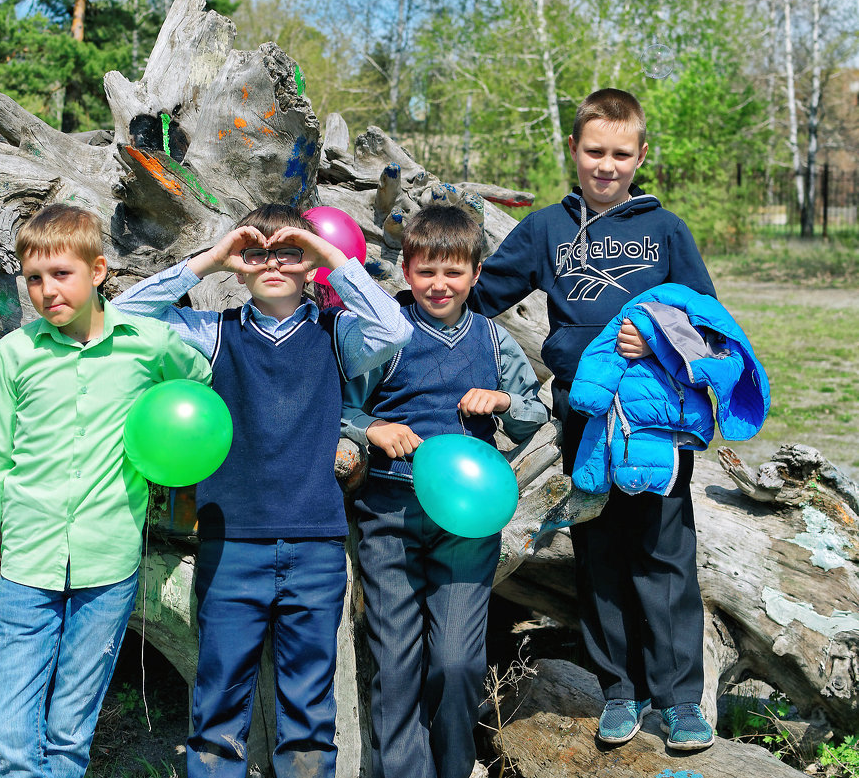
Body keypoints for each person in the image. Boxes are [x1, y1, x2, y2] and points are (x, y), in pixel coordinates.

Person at [113, 203, 411, 778]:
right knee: (218, 706)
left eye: (289, 252)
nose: (273, 262)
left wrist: (330, 257)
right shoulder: (213, 333)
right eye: (257, 252)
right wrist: (210, 261)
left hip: (317, 547)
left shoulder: (337, 334)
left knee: (308, 716)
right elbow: (122, 315)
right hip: (232, 545)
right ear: (240, 265)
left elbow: (394, 328)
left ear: (309, 266)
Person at [469, 88, 718, 751]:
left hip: (655, 424)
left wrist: (661, 342)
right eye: (594, 151)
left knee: (664, 555)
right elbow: (481, 296)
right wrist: (405, 300)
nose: (606, 165)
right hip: (583, 420)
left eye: (620, 153)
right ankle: (620, 691)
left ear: (640, 155)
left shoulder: (667, 232)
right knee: (599, 554)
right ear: (574, 150)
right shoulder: (547, 227)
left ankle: (680, 699)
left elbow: (710, 324)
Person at [0, 204, 212, 778]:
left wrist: (163, 442)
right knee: (10, 724)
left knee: (72, 727)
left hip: (109, 558)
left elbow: (200, 386)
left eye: (61, 274)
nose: (47, 291)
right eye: (34, 279)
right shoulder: (14, 355)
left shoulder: (147, 344)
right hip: (27, 560)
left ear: (98, 271)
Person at [341, 204, 549, 778]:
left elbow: (536, 415)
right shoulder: (385, 333)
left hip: (467, 525)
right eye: (426, 271)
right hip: (389, 513)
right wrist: (371, 429)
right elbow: (340, 406)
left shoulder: (493, 341)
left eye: (453, 272)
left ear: (476, 274)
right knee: (396, 663)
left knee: (456, 661)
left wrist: (504, 402)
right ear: (406, 270)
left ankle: (453, 767)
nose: (439, 284)